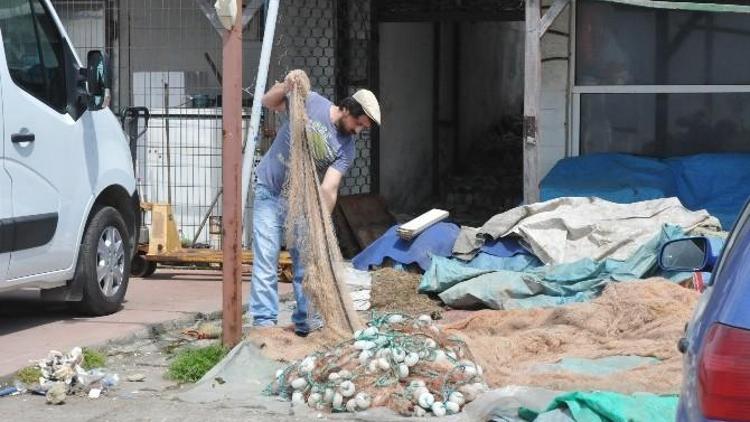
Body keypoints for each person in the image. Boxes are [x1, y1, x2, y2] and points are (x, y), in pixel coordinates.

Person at [249, 69, 381, 336]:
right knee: (266, 258)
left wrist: (320, 222)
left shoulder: (347, 149)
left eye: (364, 128)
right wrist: (286, 85)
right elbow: (268, 102)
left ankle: (306, 323)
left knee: (305, 264)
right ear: (347, 110)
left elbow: (329, 188)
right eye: (360, 124)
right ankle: (264, 326)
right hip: (268, 190)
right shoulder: (312, 101)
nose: (358, 131)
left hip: (300, 201)